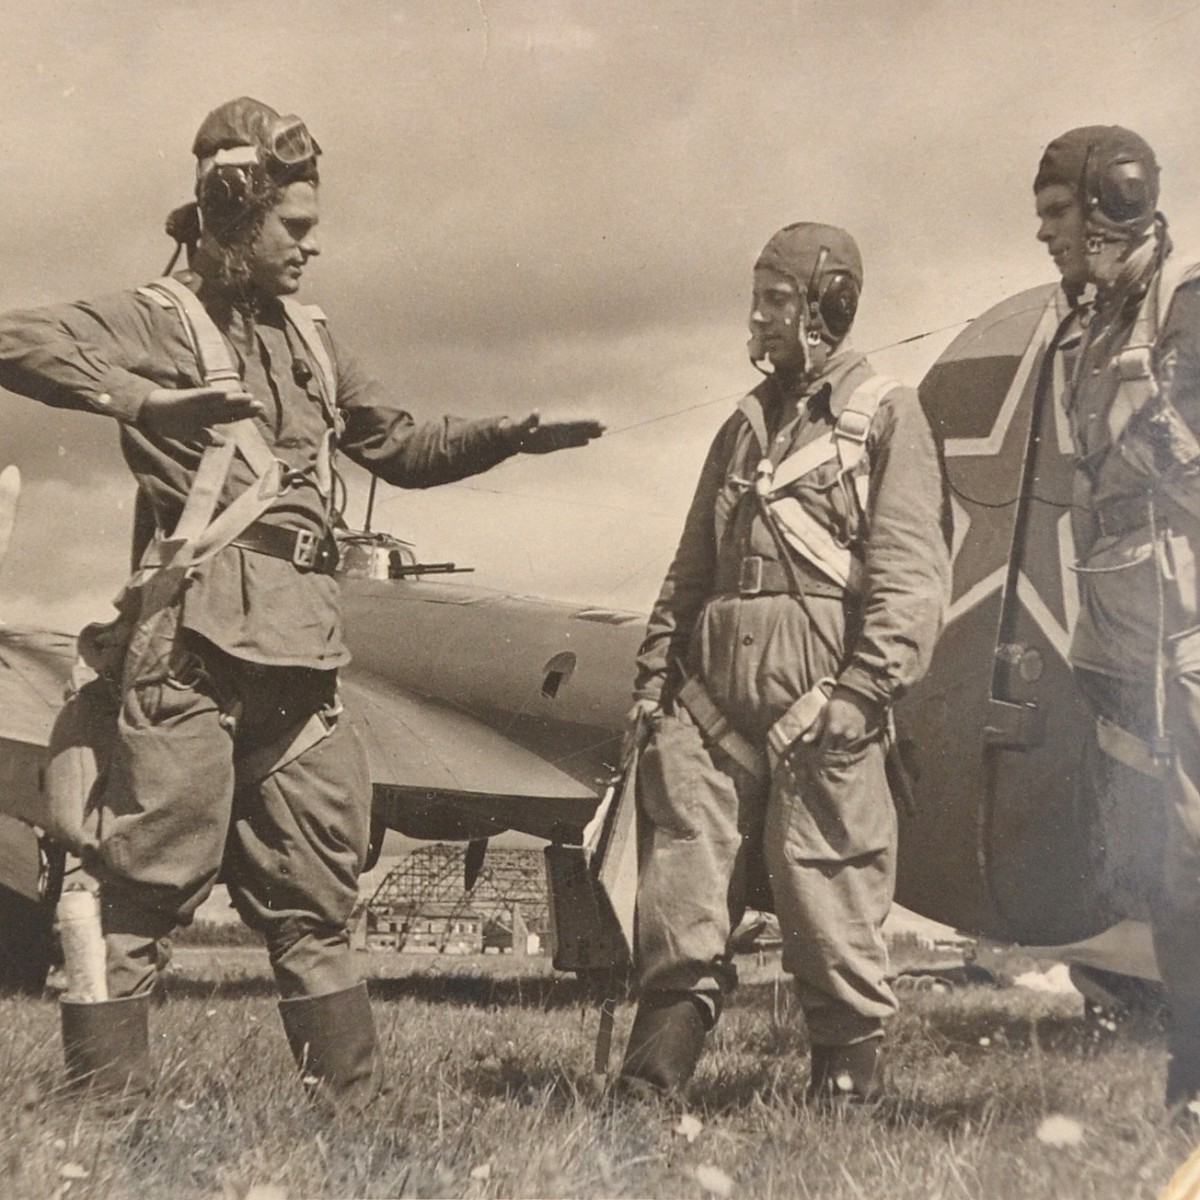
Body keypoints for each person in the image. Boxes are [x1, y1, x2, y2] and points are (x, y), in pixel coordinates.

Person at [0, 96, 603, 1109]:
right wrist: (142, 400)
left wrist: (507, 434)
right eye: (296, 227)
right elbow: (13, 338)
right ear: (235, 210)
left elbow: (396, 444)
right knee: (142, 891)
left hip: (304, 666)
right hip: (190, 655)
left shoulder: (313, 340)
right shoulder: (155, 319)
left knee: (317, 900)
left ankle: (353, 1123)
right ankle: (107, 1126)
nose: (310, 250)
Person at [618, 222, 949, 1101]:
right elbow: (690, 567)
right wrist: (656, 681)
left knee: (828, 891)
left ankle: (844, 1096)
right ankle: (651, 1086)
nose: (757, 320)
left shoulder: (887, 414)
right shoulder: (742, 427)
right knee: (682, 884)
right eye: (755, 300)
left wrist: (864, 690)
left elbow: (911, 571)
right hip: (710, 705)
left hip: (824, 704)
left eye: (774, 301)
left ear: (825, 307)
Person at [1033, 125, 1200, 1112]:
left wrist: (1134, 444)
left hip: (1183, 624)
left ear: (1108, 211)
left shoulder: (1185, 311)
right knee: (1155, 853)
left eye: (1059, 214)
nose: (1046, 235)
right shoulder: (1097, 318)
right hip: (1123, 627)